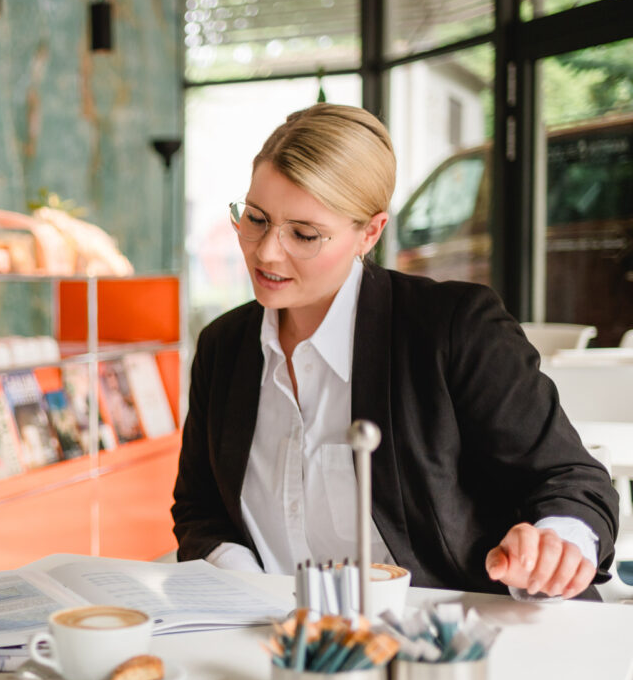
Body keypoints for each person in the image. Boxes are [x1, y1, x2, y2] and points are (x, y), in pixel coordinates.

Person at [170, 103, 619, 600]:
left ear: (370, 232)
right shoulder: (223, 347)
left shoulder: (453, 328)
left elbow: (571, 479)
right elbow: (199, 509)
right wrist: (247, 586)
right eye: (255, 218)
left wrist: (556, 544)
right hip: (280, 641)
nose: (266, 251)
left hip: (450, 643)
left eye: (304, 234)